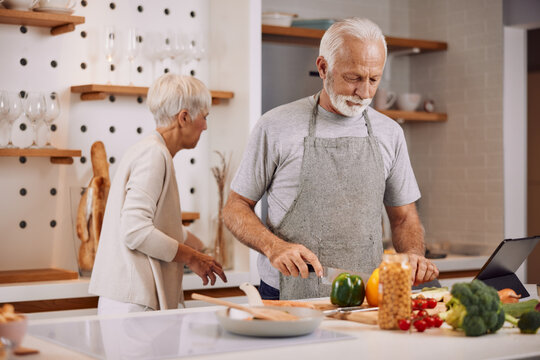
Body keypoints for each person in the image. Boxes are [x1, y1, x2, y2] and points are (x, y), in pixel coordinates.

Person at [223, 17, 438, 300]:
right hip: (288, 296)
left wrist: (412, 255)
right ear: (323, 67)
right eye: (354, 78)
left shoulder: (390, 133)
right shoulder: (275, 126)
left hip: (368, 296)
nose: (365, 93)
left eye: (374, 79)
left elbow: (404, 218)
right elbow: (235, 208)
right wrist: (273, 247)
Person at [89, 74, 227, 314]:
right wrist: (192, 258)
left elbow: (152, 223)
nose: (205, 125)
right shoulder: (154, 155)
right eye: (204, 117)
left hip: (128, 301)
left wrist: (200, 248)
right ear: (184, 117)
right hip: (135, 304)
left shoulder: (147, 149)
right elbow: (135, 230)